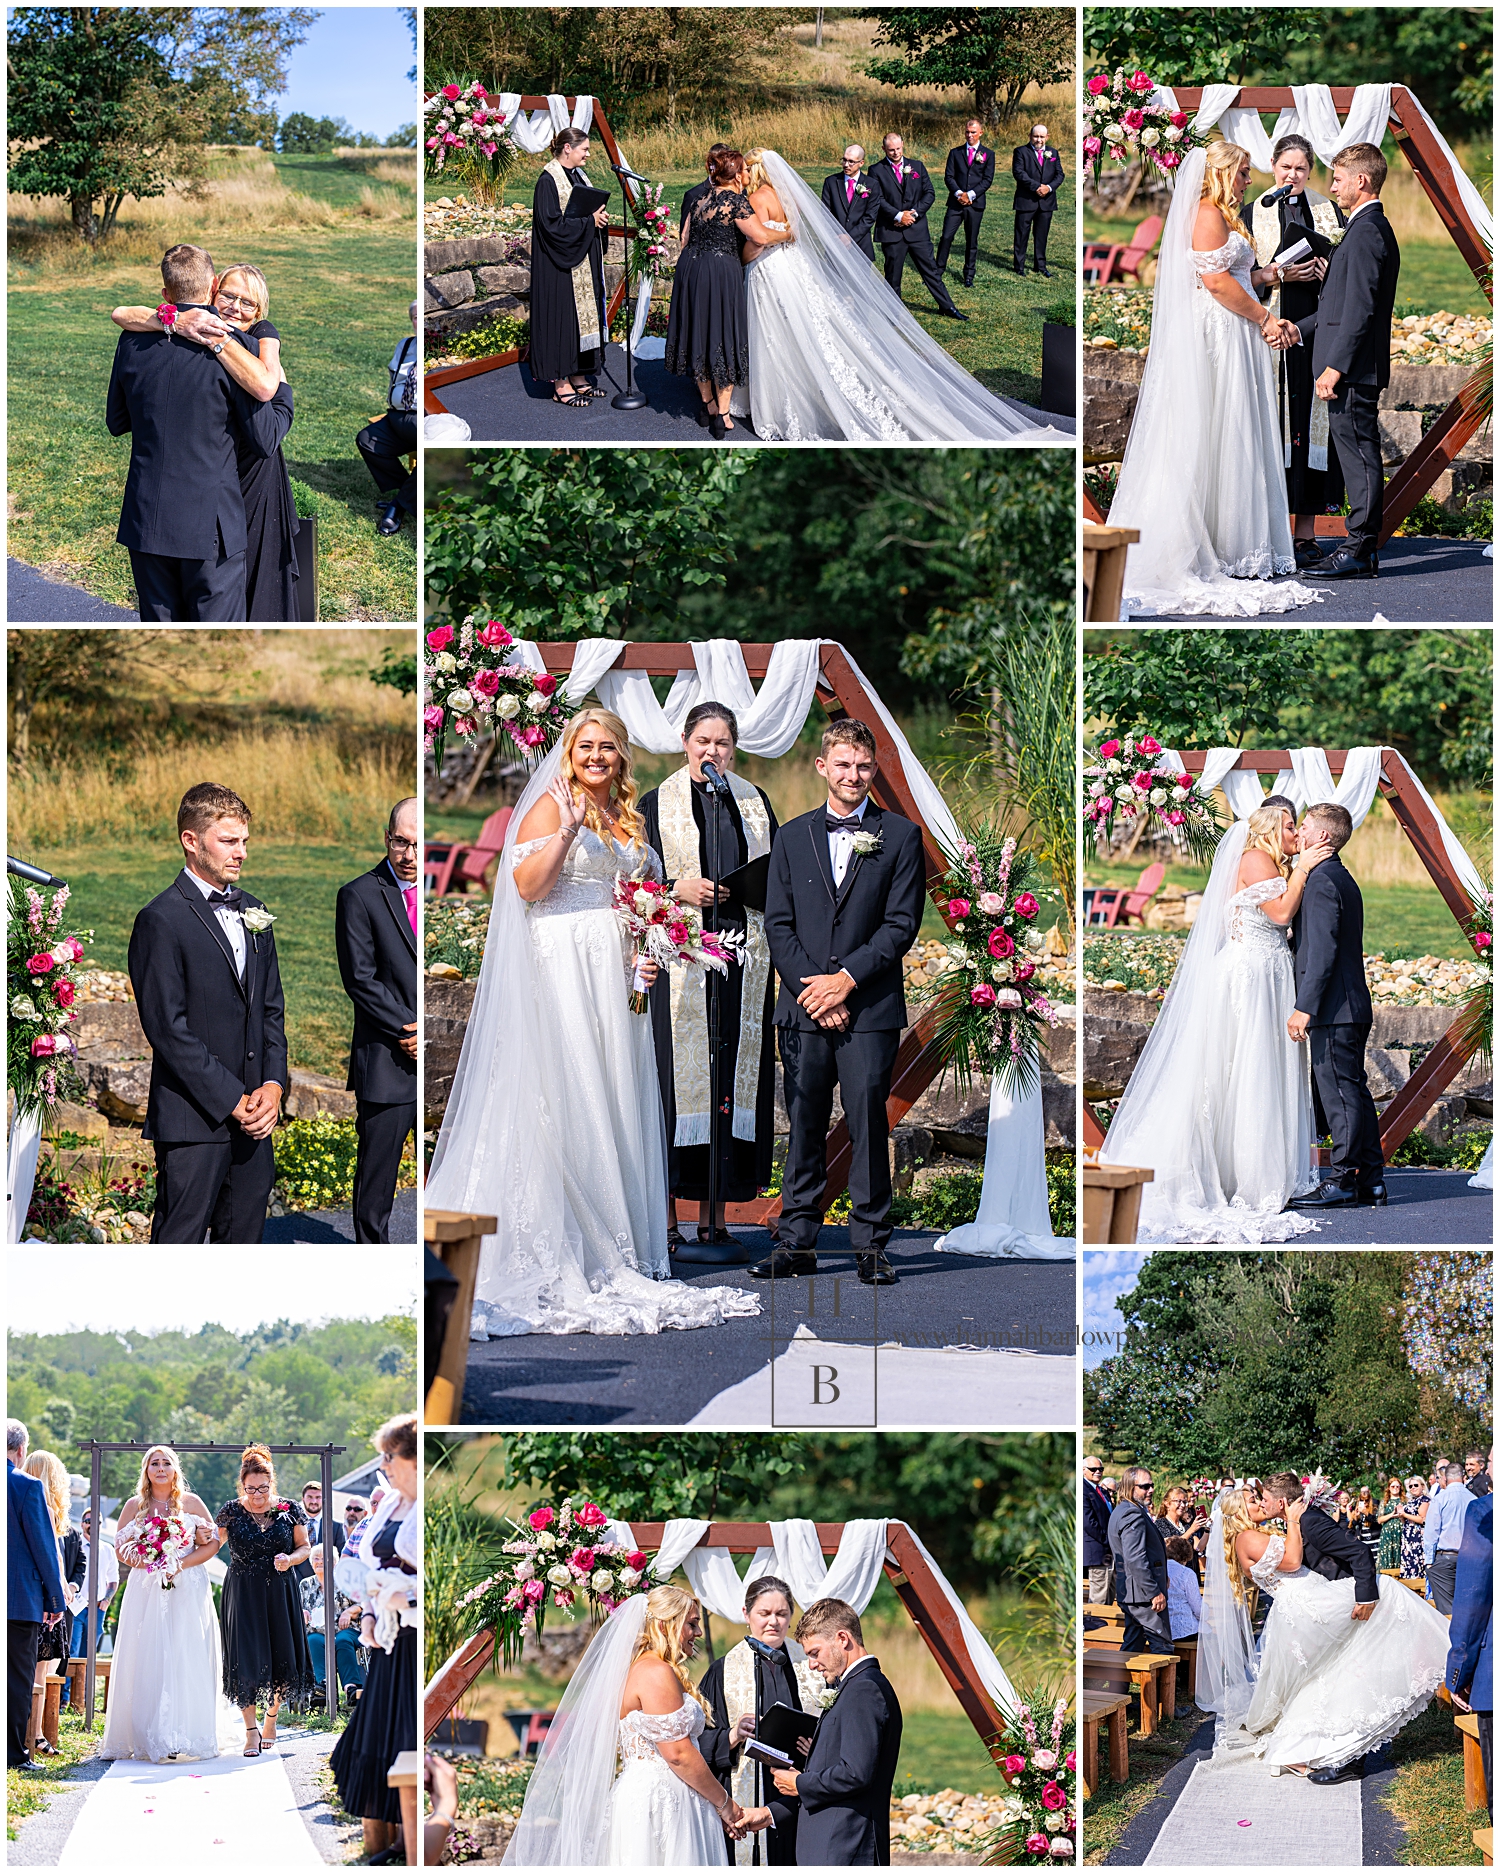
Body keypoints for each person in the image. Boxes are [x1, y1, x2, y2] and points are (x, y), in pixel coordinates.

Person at [425, 708, 763, 1339]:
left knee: (612, 1098)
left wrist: (652, 947)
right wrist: (565, 832)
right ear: (569, 751)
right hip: (563, 971)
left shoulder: (629, 816)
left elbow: (644, 897)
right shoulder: (553, 805)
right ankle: (554, 1242)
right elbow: (525, 888)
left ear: (622, 756)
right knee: (566, 1095)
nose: (597, 756)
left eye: (608, 747)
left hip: (619, 980)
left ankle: (613, 1239)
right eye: (586, 746)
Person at [1099, 798, 1331, 1241]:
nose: (1295, 835)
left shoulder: (1263, 860)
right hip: (1251, 977)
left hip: (1266, 972)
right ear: (1268, 827)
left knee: (1251, 1071)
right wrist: (1302, 869)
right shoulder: (1256, 858)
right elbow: (1280, 914)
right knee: (1247, 1071)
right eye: (1289, 826)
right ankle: (1244, 1179)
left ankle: (1246, 1169)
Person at [1107, 144, 1320, 616]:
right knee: (1218, 427)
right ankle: (1213, 544)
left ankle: (1232, 537)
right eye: (1243, 172)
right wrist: (1267, 319)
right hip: (1220, 333)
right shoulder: (1206, 213)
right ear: (1222, 173)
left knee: (1235, 429)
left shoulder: (1223, 214)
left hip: (1236, 327)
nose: (1249, 180)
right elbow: (1217, 284)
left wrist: (1272, 274)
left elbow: (1237, 273)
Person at [731, 149, 1058, 444]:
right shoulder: (784, 195)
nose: (743, 174)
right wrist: (786, 234)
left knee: (775, 331)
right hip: (791, 265)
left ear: (757, 171)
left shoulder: (758, 198)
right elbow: (796, 229)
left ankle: (781, 399)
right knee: (798, 329)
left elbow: (757, 240)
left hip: (769, 269)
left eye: (746, 168)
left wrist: (740, 258)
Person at [759, 719, 926, 1286]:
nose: (854, 775)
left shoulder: (900, 837)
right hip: (804, 1007)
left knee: (867, 1125)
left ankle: (871, 1244)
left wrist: (846, 981)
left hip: (869, 1009)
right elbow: (777, 926)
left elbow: (901, 925)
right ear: (822, 766)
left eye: (864, 766)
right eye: (844, 764)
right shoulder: (790, 837)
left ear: (872, 770)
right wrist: (816, 989)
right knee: (803, 1123)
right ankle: (796, 1241)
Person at [1200, 1476, 1450, 1779]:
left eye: (1260, 1498)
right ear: (1240, 1511)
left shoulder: (1262, 1532)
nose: (1260, 1502)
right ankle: (1446, 1648)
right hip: (1307, 1604)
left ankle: (1434, 1657)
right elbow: (1292, 1561)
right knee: (1386, 1596)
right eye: (1254, 1500)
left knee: (1331, 1670)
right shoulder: (1249, 1537)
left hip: (1306, 1602)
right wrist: (1293, 1521)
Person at [641, 704, 779, 1248]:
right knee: (674, 1085)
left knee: (726, 1082)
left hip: (741, 957)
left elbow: (773, 873)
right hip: (679, 962)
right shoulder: (657, 803)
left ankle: (715, 1218)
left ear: (734, 749)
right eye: (703, 740)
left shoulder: (753, 801)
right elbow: (632, 879)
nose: (712, 752)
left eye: (722, 743)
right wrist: (680, 887)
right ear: (684, 740)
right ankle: (667, 1220)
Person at [128, 782, 287, 1242]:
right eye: (229, 841)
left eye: (244, 842)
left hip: (257, 1117)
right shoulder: (160, 919)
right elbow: (167, 1029)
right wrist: (230, 1099)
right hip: (193, 1119)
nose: (241, 853)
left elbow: (271, 1010)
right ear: (191, 840)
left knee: (243, 1245)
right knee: (179, 1244)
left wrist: (273, 1086)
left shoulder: (255, 910)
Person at [504, 1583, 764, 1864]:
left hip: (663, 1796)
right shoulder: (655, 1672)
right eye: (692, 1624)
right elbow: (678, 1755)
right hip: (663, 1803)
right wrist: (726, 1805)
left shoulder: (640, 1669)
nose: (698, 1633)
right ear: (666, 1625)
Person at [104, 242, 291, 620]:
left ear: (165, 296)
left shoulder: (132, 338)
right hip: (212, 530)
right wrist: (283, 394)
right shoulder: (236, 348)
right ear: (211, 289)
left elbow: (117, 422)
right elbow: (265, 438)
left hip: (146, 520)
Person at [1281, 143, 1401, 583]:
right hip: (1346, 364)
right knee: (1355, 455)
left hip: (1352, 370)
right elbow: (1336, 303)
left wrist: (1335, 367)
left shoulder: (1369, 231)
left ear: (1361, 181)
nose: (1332, 186)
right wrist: (1300, 329)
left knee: (1360, 458)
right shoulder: (1362, 228)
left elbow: (1361, 309)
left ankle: (1359, 549)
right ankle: (1359, 550)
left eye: (1337, 178)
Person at [1247, 135, 1346, 568]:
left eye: (1301, 169)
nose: (1293, 175)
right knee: (1269, 425)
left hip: (1313, 332)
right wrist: (1276, 275)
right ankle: (1266, 530)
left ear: (1311, 171)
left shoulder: (1328, 211)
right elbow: (1238, 276)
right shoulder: (1252, 211)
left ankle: (1305, 534)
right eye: (1286, 167)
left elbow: (1348, 270)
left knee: (1309, 427)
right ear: (1273, 165)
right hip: (1267, 331)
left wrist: (1326, 270)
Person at [1285, 802, 1388, 1211]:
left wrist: (1304, 1007)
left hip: (1334, 1009)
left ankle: (1344, 1181)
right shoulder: (1338, 876)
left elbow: (1324, 952)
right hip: (1349, 1006)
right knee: (1355, 1094)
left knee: (1341, 1097)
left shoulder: (1324, 880)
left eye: (1305, 827)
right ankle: (1372, 1182)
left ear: (1323, 837)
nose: (1300, 834)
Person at [101, 1445, 230, 1762]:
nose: (160, 1468)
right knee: (149, 1652)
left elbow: (212, 1543)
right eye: (154, 1463)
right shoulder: (135, 1506)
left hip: (187, 1585)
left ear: (176, 1469)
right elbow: (121, 1548)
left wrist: (179, 1565)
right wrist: (149, 1561)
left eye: (166, 1463)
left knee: (186, 1652)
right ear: (146, 1470)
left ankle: (189, 1730)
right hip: (147, 1586)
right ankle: (150, 1732)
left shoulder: (191, 1503)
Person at [330, 1415, 419, 1864]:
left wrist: (409, 1593)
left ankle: (410, 1844)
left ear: (414, 1459)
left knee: (406, 1734)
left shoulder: (428, 1506)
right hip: (385, 1636)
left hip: (413, 1639)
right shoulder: (390, 1505)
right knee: (378, 1736)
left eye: (390, 1455)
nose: (383, 1464)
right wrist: (367, 1613)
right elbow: (370, 1571)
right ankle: (382, 1844)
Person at [336, 798, 419, 1242]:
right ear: (387, 838)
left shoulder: (431, 892)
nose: (409, 857)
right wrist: (409, 1029)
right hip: (389, 1058)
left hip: (434, 1057)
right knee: (377, 1182)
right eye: (401, 844)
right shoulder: (358, 895)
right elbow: (360, 978)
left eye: (419, 846)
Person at [666, 148, 793, 438]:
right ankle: (722, 415)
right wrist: (787, 234)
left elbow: (684, 238)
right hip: (718, 272)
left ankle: (707, 403)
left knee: (700, 333)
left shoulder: (699, 198)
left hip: (691, 270)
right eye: (745, 171)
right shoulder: (735, 201)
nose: (748, 174)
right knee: (724, 335)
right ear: (736, 176)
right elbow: (759, 237)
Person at [769, 1597, 903, 1866]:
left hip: (845, 1846)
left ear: (842, 1638)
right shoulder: (854, 1686)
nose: (811, 1664)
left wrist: (799, 1784)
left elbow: (856, 1773)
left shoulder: (863, 1689)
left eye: (815, 1653)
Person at [699, 1576, 820, 1865]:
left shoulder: (812, 1664)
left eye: (781, 1614)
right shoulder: (722, 1671)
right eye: (764, 1614)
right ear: (746, 1614)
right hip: (746, 1793)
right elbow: (698, 1740)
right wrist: (733, 1735)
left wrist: (818, 1742)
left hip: (799, 1790)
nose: (773, 1622)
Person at [217, 1443, 315, 1757]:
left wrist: (291, 1558)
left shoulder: (288, 1508)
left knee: (281, 1656)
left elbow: (305, 1547)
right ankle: (249, 1730)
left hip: (279, 1590)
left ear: (272, 1482)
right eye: (251, 1488)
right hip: (243, 1592)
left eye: (263, 1487)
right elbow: (210, 1544)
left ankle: (271, 1718)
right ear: (241, 1485)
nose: (258, 1494)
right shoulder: (231, 1510)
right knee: (245, 1659)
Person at [529, 127, 612, 408]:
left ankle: (579, 375)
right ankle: (560, 385)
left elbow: (583, 212)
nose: (588, 153)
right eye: (584, 149)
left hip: (582, 259)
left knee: (580, 321)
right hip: (559, 266)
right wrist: (590, 221)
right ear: (567, 148)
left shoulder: (578, 176)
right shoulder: (547, 182)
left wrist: (599, 219)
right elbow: (551, 226)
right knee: (562, 320)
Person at [7, 1421, 65, 1772]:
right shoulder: (26, 1486)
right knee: (15, 1678)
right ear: (21, 1450)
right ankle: (13, 1755)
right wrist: (55, 1601)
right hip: (17, 1601)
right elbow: (44, 1549)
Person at [868, 133, 965, 319]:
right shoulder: (876, 170)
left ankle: (947, 307)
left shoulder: (917, 166)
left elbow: (929, 193)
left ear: (903, 145)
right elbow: (877, 199)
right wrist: (898, 215)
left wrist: (914, 213)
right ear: (883, 149)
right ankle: (893, 312)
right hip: (892, 231)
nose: (896, 153)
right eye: (891, 150)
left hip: (917, 230)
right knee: (893, 275)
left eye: (898, 148)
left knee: (931, 270)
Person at [1446, 1455, 1492, 1819]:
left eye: (1493, 1460)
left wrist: (1459, 1672)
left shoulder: (1485, 1513)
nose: (1489, 1469)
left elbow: (1473, 1598)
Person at [23, 1453, 82, 1736]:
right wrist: (60, 1593)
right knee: (41, 1672)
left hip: (35, 1596)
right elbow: (51, 1558)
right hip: (46, 1601)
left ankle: (34, 1733)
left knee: (39, 1670)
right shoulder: (44, 1507)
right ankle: (34, 1735)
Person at [358, 301, 419, 535]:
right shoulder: (405, 345)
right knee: (367, 440)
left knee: (430, 454)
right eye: (415, 317)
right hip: (397, 417)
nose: (418, 321)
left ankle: (397, 507)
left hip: (423, 421)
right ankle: (408, 493)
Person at [1107, 1468, 1173, 1655]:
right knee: (1162, 1646)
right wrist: (1153, 1592)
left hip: (1133, 1591)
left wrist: (1164, 1575)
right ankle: (1164, 1685)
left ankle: (1116, 1685)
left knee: (1132, 1643)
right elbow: (1135, 1557)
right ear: (1130, 1487)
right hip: (1142, 1595)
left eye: (1152, 1485)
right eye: (1145, 1486)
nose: (1151, 1490)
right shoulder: (1131, 1514)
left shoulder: (1124, 1510)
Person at [60, 1503, 117, 1710]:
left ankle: (82, 1699)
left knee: (89, 1653)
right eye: (87, 1521)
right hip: (75, 1606)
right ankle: (65, 1698)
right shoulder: (74, 1546)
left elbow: (113, 1580)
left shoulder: (107, 1550)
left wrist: (107, 1600)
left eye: (96, 1521)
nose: (92, 1524)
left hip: (97, 1608)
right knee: (72, 1651)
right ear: (82, 1524)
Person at [301, 1539, 365, 1708]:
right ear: (311, 1562)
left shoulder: (345, 1582)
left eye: (325, 1558)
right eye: (316, 1558)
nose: (320, 1561)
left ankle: (351, 1688)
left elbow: (364, 1602)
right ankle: (322, 1686)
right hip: (317, 1631)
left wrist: (349, 1612)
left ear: (335, 1563)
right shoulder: (305, 1585)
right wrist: (302, 1613)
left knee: (341, 1641)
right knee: (313, 1641)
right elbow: (296, 1610)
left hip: (345, 1629)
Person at [937, 118, 995, 287]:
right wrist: (959, 193)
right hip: (956, 203)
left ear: (980, 133)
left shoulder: (988, 154)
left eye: (973, 132)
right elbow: (949, 176)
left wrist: (970, 195)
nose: (969, 135)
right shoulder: (955, 152)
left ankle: (968, 275)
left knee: (971, 240)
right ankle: (937, 271)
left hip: (975, 204)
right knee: (946, 236)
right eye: (967, 132)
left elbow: (987, 179)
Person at [1010, 122, 1063, 278]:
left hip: (1047, 201)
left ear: (1047, 137)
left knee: (1042, 235)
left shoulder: (1053, 153)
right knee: (1021, 234)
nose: (1038, 140)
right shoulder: (1021, 152)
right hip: (1026, 200)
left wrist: (1049, 188)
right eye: (1035, 136)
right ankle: (1019, 266)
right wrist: (1037, 187)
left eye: (1041, 137)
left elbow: (1060, 175)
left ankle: (1040, 265)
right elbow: (1019, 173)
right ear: (1030, 136)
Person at [1425, 1460, 1472, 1615]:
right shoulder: (1473, 1498)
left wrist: (1429, 1561)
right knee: (1466, 1605)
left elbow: (1432, 1533)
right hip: (1468, 1558)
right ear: (1463, 1477)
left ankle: (1449, 1636)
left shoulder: (1440, 1499)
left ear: (1445, 1478)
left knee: (1447, 1610)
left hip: (1445, 1558)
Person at [820, 145, 878, 262]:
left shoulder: (872, 184)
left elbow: (870, 216)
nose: (846, 165)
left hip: (861, 245)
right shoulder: (831, 182)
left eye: (851, 162)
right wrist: (838, 237)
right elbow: (825, 213)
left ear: (861, 163)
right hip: (836, 243)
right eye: (844, 160)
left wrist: (850, 237)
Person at [293, 1479, 347, 1586]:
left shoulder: (336, 1527)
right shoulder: (293, 1526)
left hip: (327, 1585)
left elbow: (341, 1557)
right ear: (303, 1499)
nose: (314, 1501)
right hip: (297, 1584)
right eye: (310, 1497)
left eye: (318, 1497)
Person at [1084, 1457, 1115, 1604]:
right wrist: (1108, 1539)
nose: (1098, 1472)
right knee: (1099, 1598)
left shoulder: (1102, 1491)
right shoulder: (1083, 1489)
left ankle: (1108, 1626)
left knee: (1110, 1595)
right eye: (1093, 1469)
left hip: (1110, 1551)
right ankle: (1095, 1625)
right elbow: (1089, 1523)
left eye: (1100, 1469)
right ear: (1083, 1470)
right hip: (1098, 1550)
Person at [1164, 1535, 1202, 1641]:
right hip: (1184, 1630)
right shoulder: (1187, 1573)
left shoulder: (1157, 1569)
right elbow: (1197, 1608)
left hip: (1160, 1630)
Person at [1398, 1475, 1431, 1581]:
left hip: (1418, 1536)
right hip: (1408, 1535)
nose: (1413, 1488)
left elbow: (1422, 1519)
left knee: (1417, 1563)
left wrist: (1404, 1514)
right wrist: (1401, 1516)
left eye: (1415, 1485)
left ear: (1422, 1486)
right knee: (1408, 1562)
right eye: (1410, 1486)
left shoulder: (1425, 1500)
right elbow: (1405, 1521)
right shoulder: (1411, 1501)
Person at [1377, 1477, 1405, 1571]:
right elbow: (1379, 1520)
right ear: (1389, 1488)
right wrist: (1392, 1514)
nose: (1395, 1488)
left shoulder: (1405, 1501)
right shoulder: (1384, 1502)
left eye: (1397, 1486)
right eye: (1393, 1486)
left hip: (1401, 1532)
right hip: (1387, 1534)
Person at [1348, 1485, 1382, 1557]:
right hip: (1363, 1538)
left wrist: (1366, 1512)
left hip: (1374, 1537)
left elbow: (1376, 1521)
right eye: (1362, 1492)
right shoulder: (1357, 1505)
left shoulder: (1375, 1504)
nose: (1364, 1494)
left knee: (1376, 1559)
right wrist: (1356, 1517)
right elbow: (1354, 1525)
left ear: (1369, 1492)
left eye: (1366, 1492)